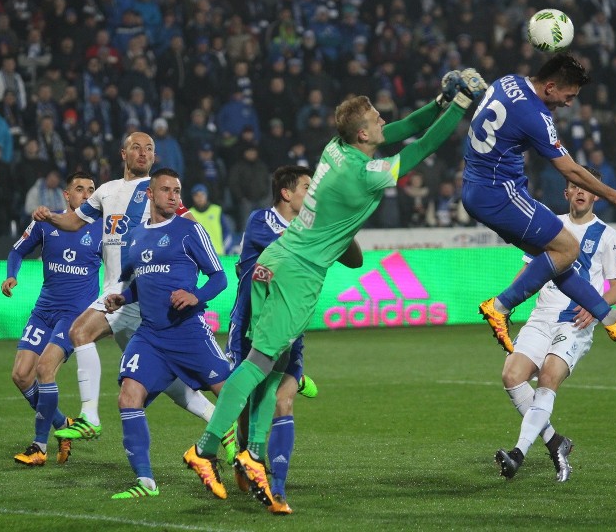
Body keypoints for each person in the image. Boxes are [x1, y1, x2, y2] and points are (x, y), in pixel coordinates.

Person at [183, 69, 485, 512]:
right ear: (363, 132)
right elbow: (419, 147)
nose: (384, 122)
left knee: (276, 362)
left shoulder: (336, 147)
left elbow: (400, 130)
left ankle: (253, 453)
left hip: (278, 258)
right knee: (260, 362)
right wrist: (460, 108)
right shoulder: (363, 175)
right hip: (300, 273)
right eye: (376, 119)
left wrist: (441, 102)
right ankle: (205, 448)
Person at [31, 133, 235, 456]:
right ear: (123, 153)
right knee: (168, 381)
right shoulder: (106, 191)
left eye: (150, 149)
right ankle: (221, 424)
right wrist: (51, 217)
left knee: (79, 332)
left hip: (133, 293)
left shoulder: (157, 192)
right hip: (122, 294)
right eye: (137, 148)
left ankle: (90, 416)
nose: (144, 153)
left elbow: (189, 228)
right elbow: (74, 221)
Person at [461, 54, 616, 354]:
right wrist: (613, 195)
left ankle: (613, 319)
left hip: (476, 188)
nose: (569, 103)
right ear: (550, 87)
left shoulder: (507, 81)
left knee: (557, 259)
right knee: (568, 249)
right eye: (569, 96)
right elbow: (571, 170)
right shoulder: (536, 117)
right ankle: (499, 306)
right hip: (500, 193)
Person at [103, 169, 230, 499]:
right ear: (150, 194)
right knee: (128, 397)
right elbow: (139, 284)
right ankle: (145, 482)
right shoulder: (136, 237)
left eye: (177, 190)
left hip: (189, 332)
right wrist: (123, 297)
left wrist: (195, 296)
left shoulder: (190, 230)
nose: (174, 196)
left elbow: (219, 278)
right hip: (151, 337)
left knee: (233, 397)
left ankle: (247, 460)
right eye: (167, 190)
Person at [494, 167, 616, 482]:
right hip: (541, 317)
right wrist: (505, 304)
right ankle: (556, 443)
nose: (580, 192)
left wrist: (596, 307)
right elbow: (528, 272)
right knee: (511, 375)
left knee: (549, 377)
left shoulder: (608, 235)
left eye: (586, 188)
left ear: (595, 193)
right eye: (574, 186)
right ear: (566, 192)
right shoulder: (548, 227)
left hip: (575, 321)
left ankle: (518, 454)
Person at [224, 165, 321, 514]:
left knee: (283, 400)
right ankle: (247, 455)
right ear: (286, 192)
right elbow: (292, 252)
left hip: (290, 329)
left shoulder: (311, 227)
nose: (313, 194)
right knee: (249, 402)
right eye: (308, 187)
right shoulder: (261, 221)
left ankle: (276, 486)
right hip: (251, 325)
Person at [2, 171, 102, 466]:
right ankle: (62, 424)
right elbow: (17, 251)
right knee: (21, 375)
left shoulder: (102, 229)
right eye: (80, 189)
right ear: (66, 196)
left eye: (91, 190)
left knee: (45, 368)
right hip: (44, 311)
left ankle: (39, 446)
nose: (87, 194)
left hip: (74, 317)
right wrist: (11, 276)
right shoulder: (45, 224)